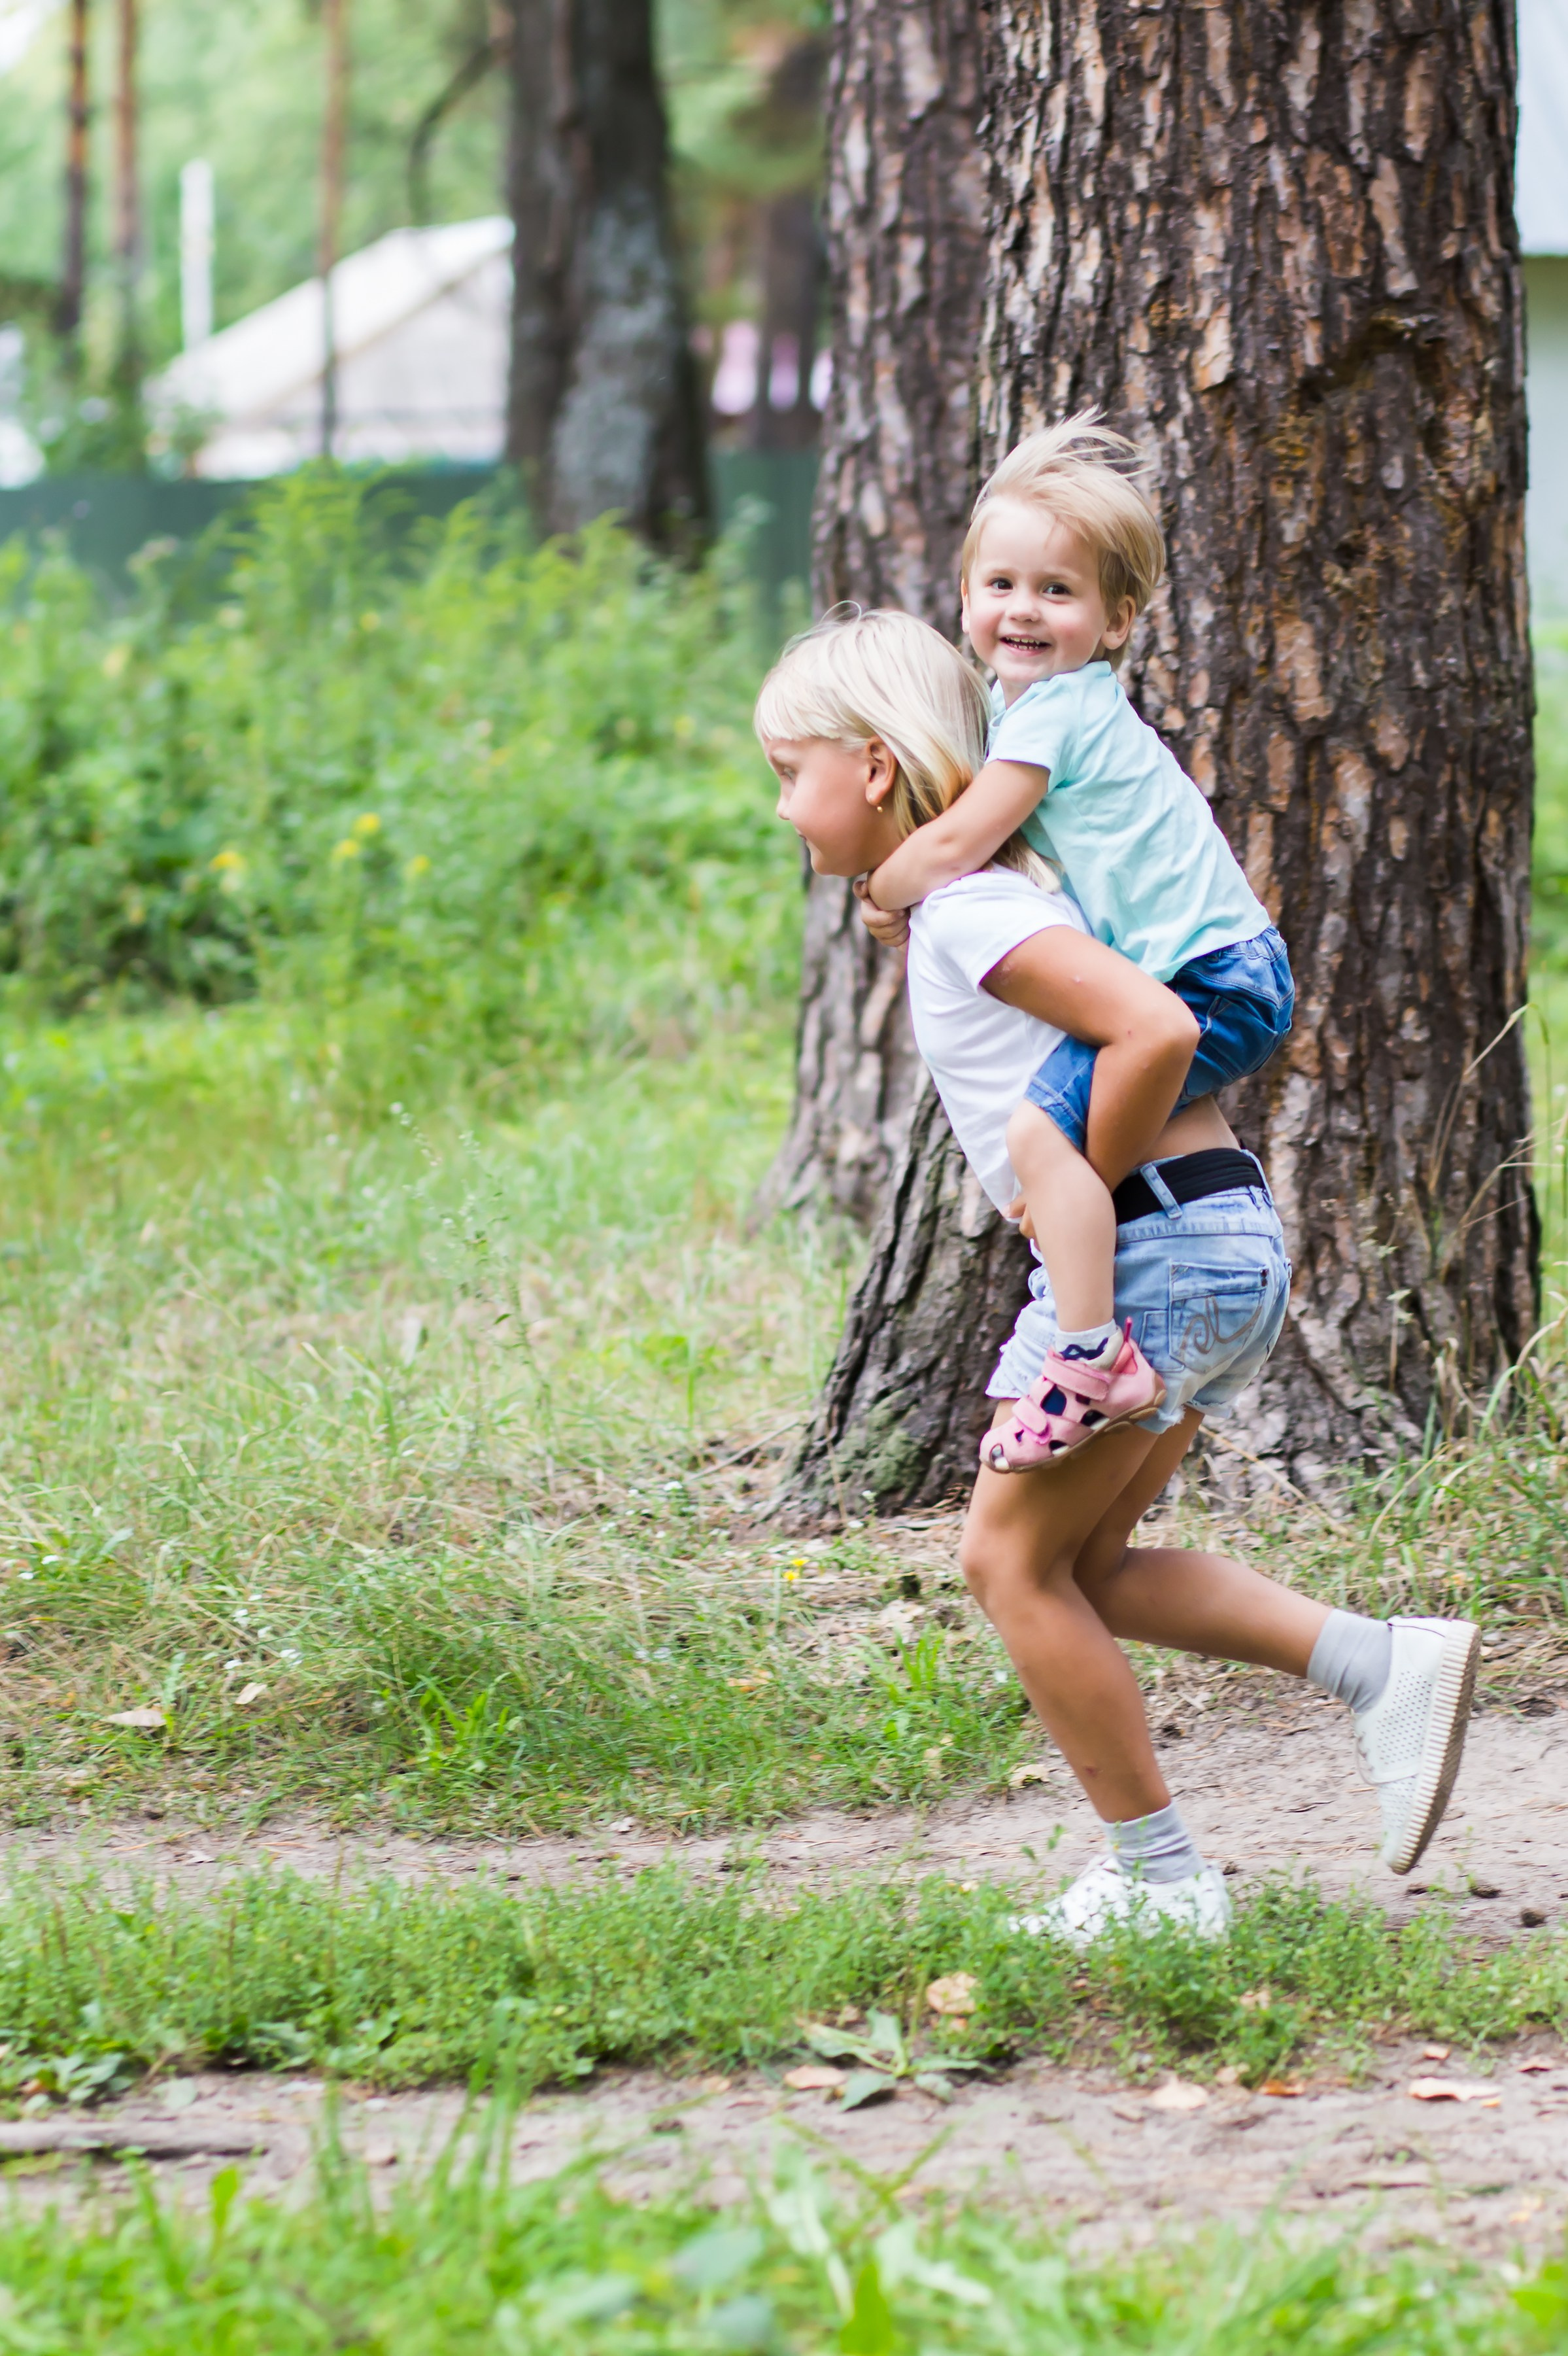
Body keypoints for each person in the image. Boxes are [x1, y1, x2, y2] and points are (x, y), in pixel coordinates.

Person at [756, 608, 1478, 1943]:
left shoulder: (971, 907)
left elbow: (1151, 1023)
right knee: (1077, 1562)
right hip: (1203, 1240)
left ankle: (1157, 1879)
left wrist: (1068, 1181)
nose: (782, 805)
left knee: (1007, 1564)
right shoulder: (985, 896)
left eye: (786, 771)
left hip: (1147, 1252)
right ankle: (1381, 1664)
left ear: (869, 764)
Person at [859, 416, 1296, 1476]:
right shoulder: (1051, 712)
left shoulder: (1052, 714)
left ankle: (1087, 1349)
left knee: (1042, 1147)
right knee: (1056, 1152)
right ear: (965, 597)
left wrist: (883, 886)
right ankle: (1094, 1287)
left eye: (1057, 591)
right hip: (1228, 968)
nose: (1022, 609)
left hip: (1212, 980)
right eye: (999, 582)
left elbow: (962, 841)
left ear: (1114, 621)